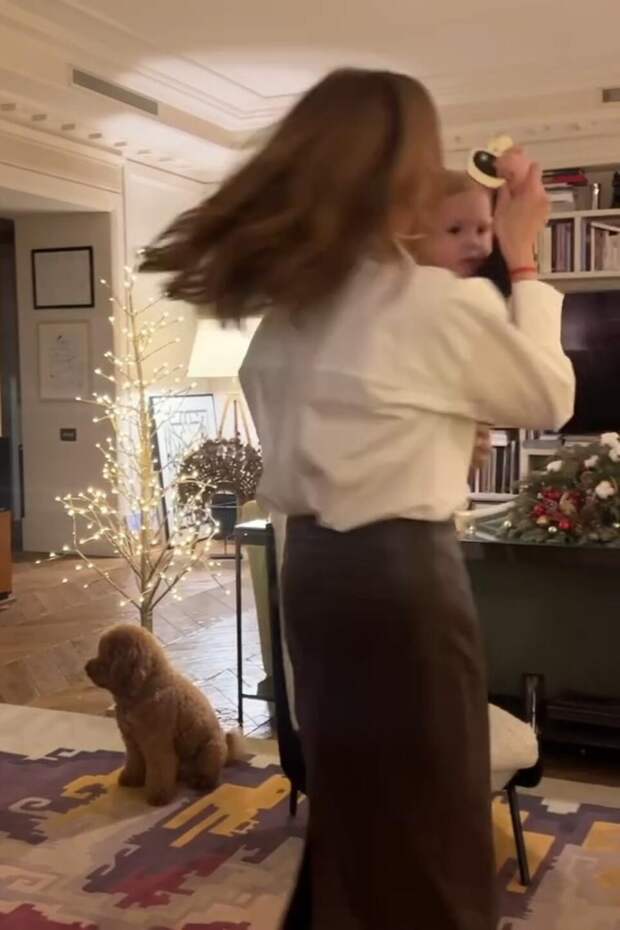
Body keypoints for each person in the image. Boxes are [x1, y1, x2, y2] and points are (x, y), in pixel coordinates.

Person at [141, 68, 575, 930]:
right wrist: (523, 253)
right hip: (401, 583)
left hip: (315, 578)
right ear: (402, 171)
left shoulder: (289, 316)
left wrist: (436, 434)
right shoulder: (426, 302)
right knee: (430, 834)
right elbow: (548, 397)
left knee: (361, 824)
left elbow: (343, 434)